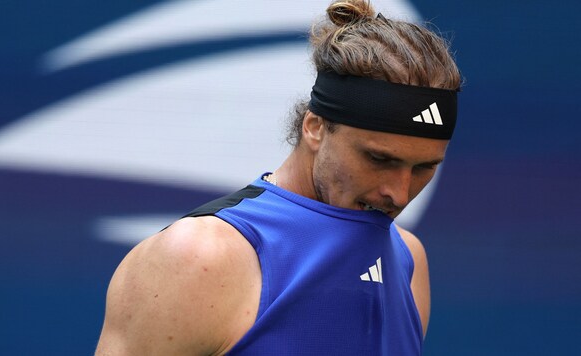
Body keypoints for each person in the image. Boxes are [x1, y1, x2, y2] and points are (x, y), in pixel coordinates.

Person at [95, 0, 462, 354]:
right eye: (378, 158)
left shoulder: (408, 258)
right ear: (315, 128)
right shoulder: (197, 256)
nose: (398, 194)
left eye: (424, 168)